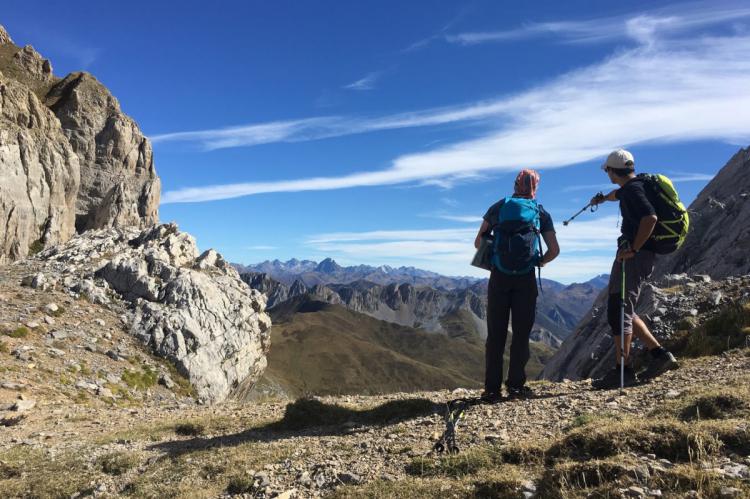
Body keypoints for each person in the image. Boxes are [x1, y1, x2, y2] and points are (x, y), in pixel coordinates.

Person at [590, 149, 678, 389]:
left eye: (607, 169)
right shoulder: (635, 186)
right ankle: (659, 355)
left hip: (635, 257)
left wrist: (634, 249)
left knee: (618, 310)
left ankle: (623, 371)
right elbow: (618, 195)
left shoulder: (633, 190)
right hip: (639, 256)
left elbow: (649, 218)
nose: (606, 173)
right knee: (624, 307)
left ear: (611, 170)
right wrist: (602, 199)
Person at [474, 169, 559, 402]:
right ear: (536, 187)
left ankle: (492, 389)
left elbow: (477, 242)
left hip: (499, 277)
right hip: (526, 278)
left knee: (496, 335)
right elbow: (554, 250)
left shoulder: (499, 207)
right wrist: (538, 261)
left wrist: (495, 253)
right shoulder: (540, 212)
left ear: (515, 184)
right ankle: (516, 387)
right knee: (521, 335)